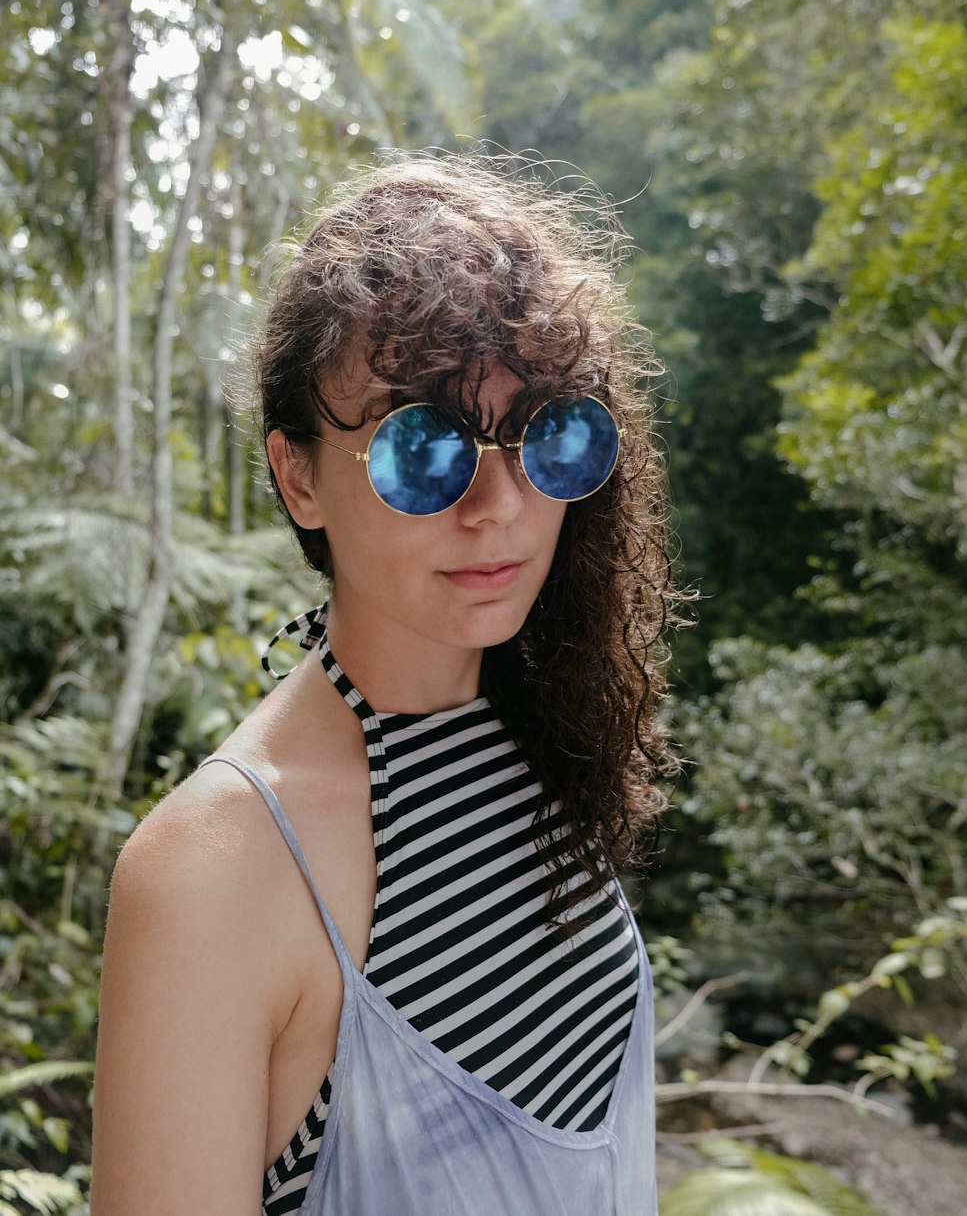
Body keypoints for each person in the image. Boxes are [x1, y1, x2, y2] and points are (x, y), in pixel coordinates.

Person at [90, 151, 683, 1216]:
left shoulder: (540, 736)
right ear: (298, 475)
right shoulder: (221, 869)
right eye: (425, 446)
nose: (497, 504)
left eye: (547, 433)